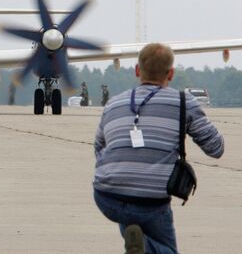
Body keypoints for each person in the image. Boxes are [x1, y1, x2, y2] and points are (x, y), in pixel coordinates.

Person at [93, 43, 224, 254]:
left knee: (130, 214)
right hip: (151, 201)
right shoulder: (183, 102)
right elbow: (216, 148)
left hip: (107, 196)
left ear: (137, 70)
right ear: (170, 74)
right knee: (164, 248)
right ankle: (144, 246)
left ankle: (138, 241)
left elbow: (99, 147)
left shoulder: (114, 103)